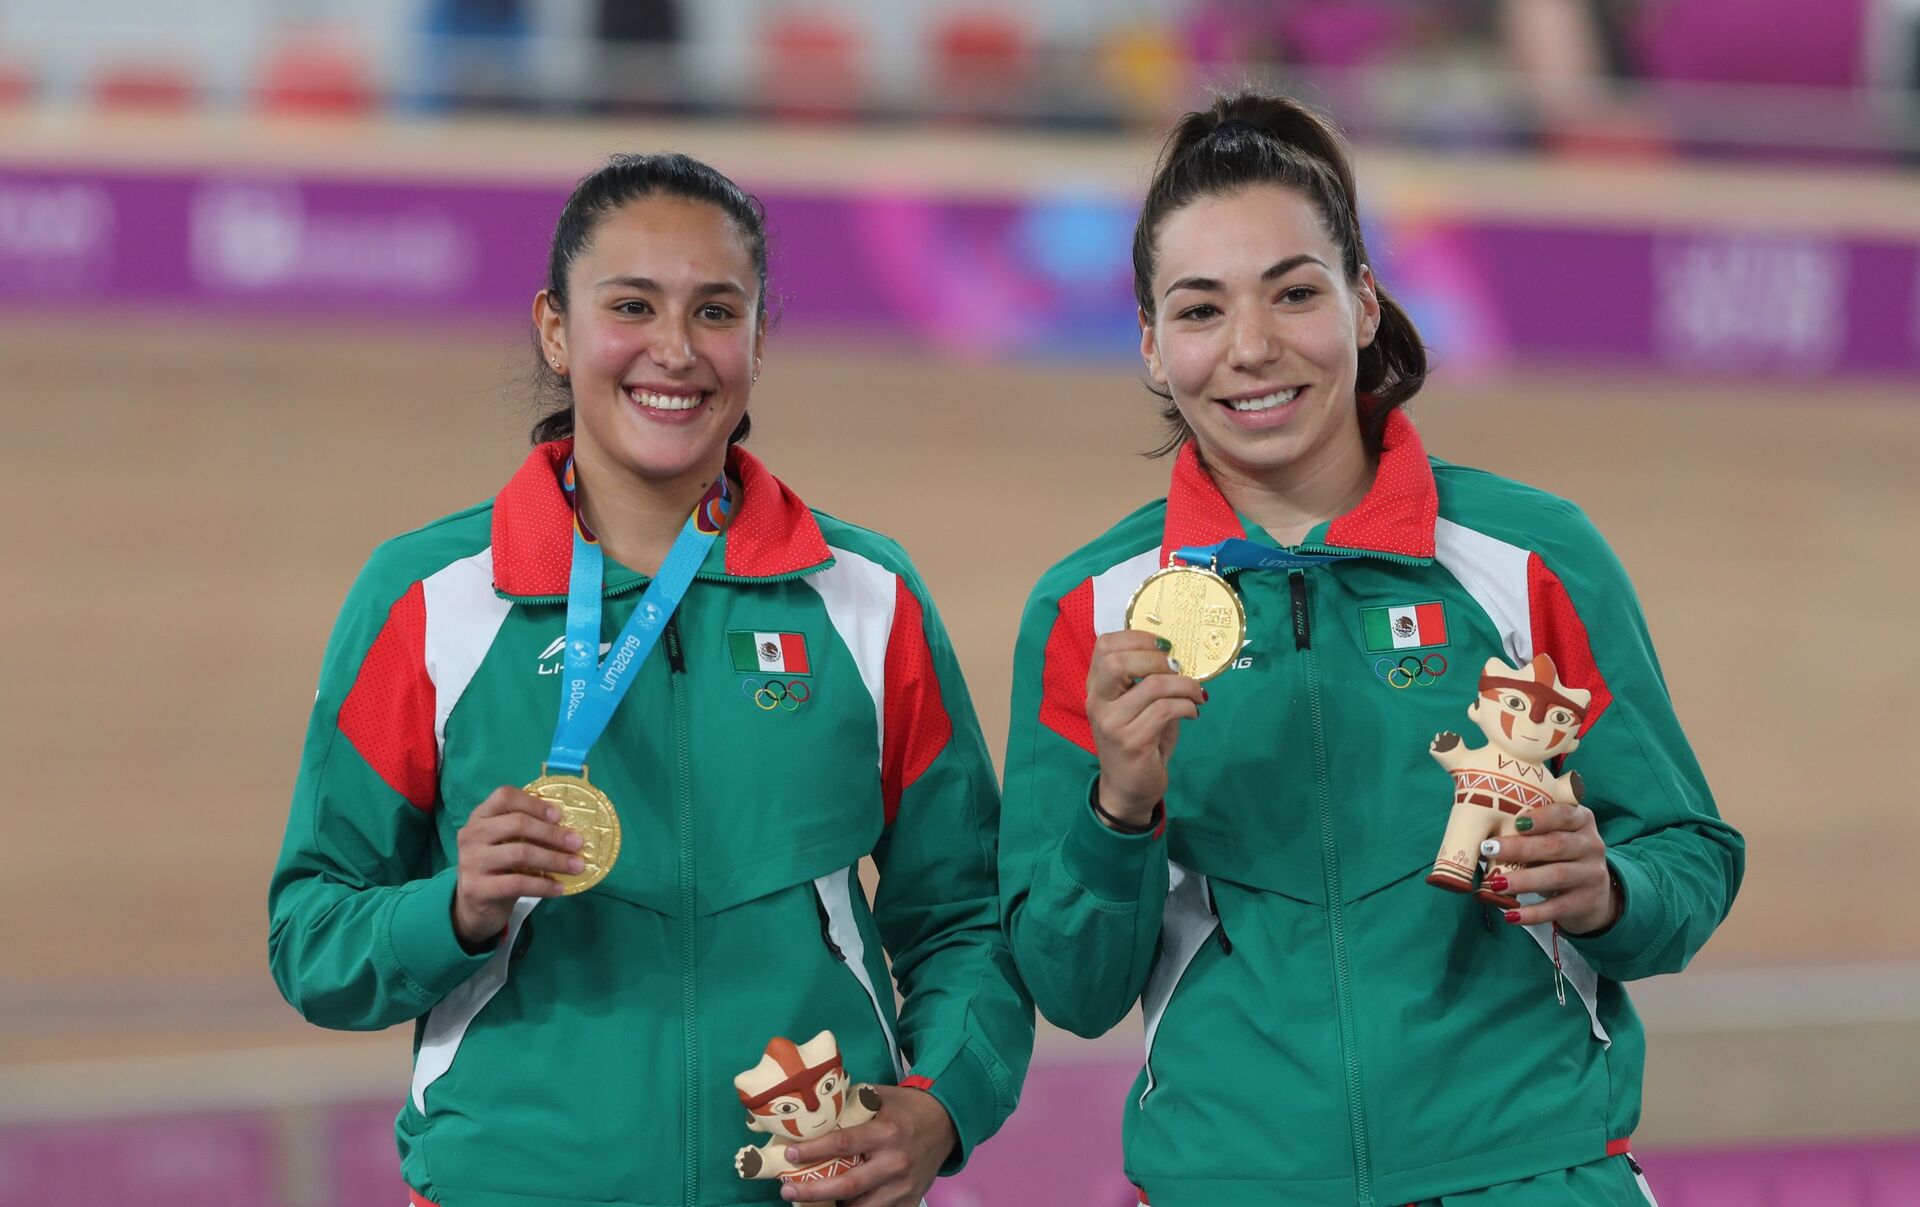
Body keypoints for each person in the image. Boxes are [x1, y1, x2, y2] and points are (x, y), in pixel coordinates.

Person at [999, 90, 1743, 1207]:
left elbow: (1689, 856)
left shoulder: (1534, 558)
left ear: (1362, 301)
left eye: (1294, 292)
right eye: (1201, 310)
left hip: (1530, 1173)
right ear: (1150, 344)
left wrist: (1609, 891)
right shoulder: (1092, 609)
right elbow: (1073, 989)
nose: (1252, 348)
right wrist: (1120, 809)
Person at [268, 152, 1031, 1207]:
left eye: (715, 311)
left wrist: (944, 1104)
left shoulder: (868, 597)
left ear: (759, 340)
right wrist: (455, 908)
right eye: (631, 305)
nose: (674, 349)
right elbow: (311, 936)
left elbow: (966, 915)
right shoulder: (426, 599)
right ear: (555, 328)